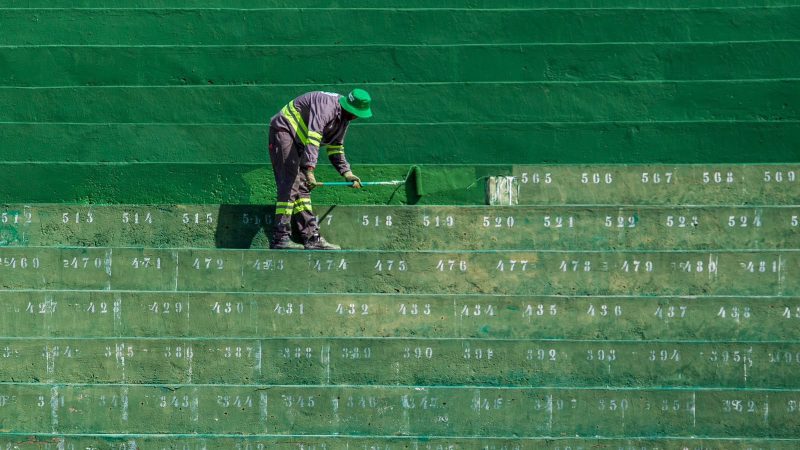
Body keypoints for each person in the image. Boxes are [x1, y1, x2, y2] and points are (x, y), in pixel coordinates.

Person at [267, 89, 372, 249]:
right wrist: (310, 170)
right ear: (348, 106)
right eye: (354, 112)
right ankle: (280, 238)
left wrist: (347, 173)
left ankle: (311, 239)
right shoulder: (326, 107)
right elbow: (314, 137)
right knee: (290, 183)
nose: (355, 117)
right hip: (284, 131)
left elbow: (336, 147)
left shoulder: (344, 118)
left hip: (300, 143)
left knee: (302, 190)